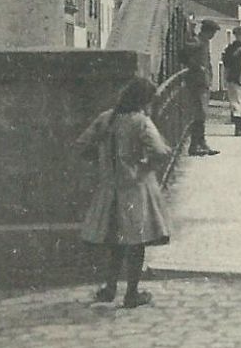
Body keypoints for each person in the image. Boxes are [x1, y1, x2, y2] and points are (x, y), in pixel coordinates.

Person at [74, 77, 173, 309]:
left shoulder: (106, 118)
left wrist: (103, 163)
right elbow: (160, 152)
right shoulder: (140, 122)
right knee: (137, 241)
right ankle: (132, 292)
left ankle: (110, 287)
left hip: (110, 188)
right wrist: (144, 165)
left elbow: (82, 145)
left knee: (115, 240)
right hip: (135, 188)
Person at [183, 19, 221, 156]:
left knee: (201, 115)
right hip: (197, 82)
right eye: (213, 32)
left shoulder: (204, 42)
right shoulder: (198, 41)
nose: (213, 35)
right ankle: (196, 145)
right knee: (199, 114)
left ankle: (200, 143)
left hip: (202, 82)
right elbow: (184, 51)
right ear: (208, 31)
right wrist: (196, 66)